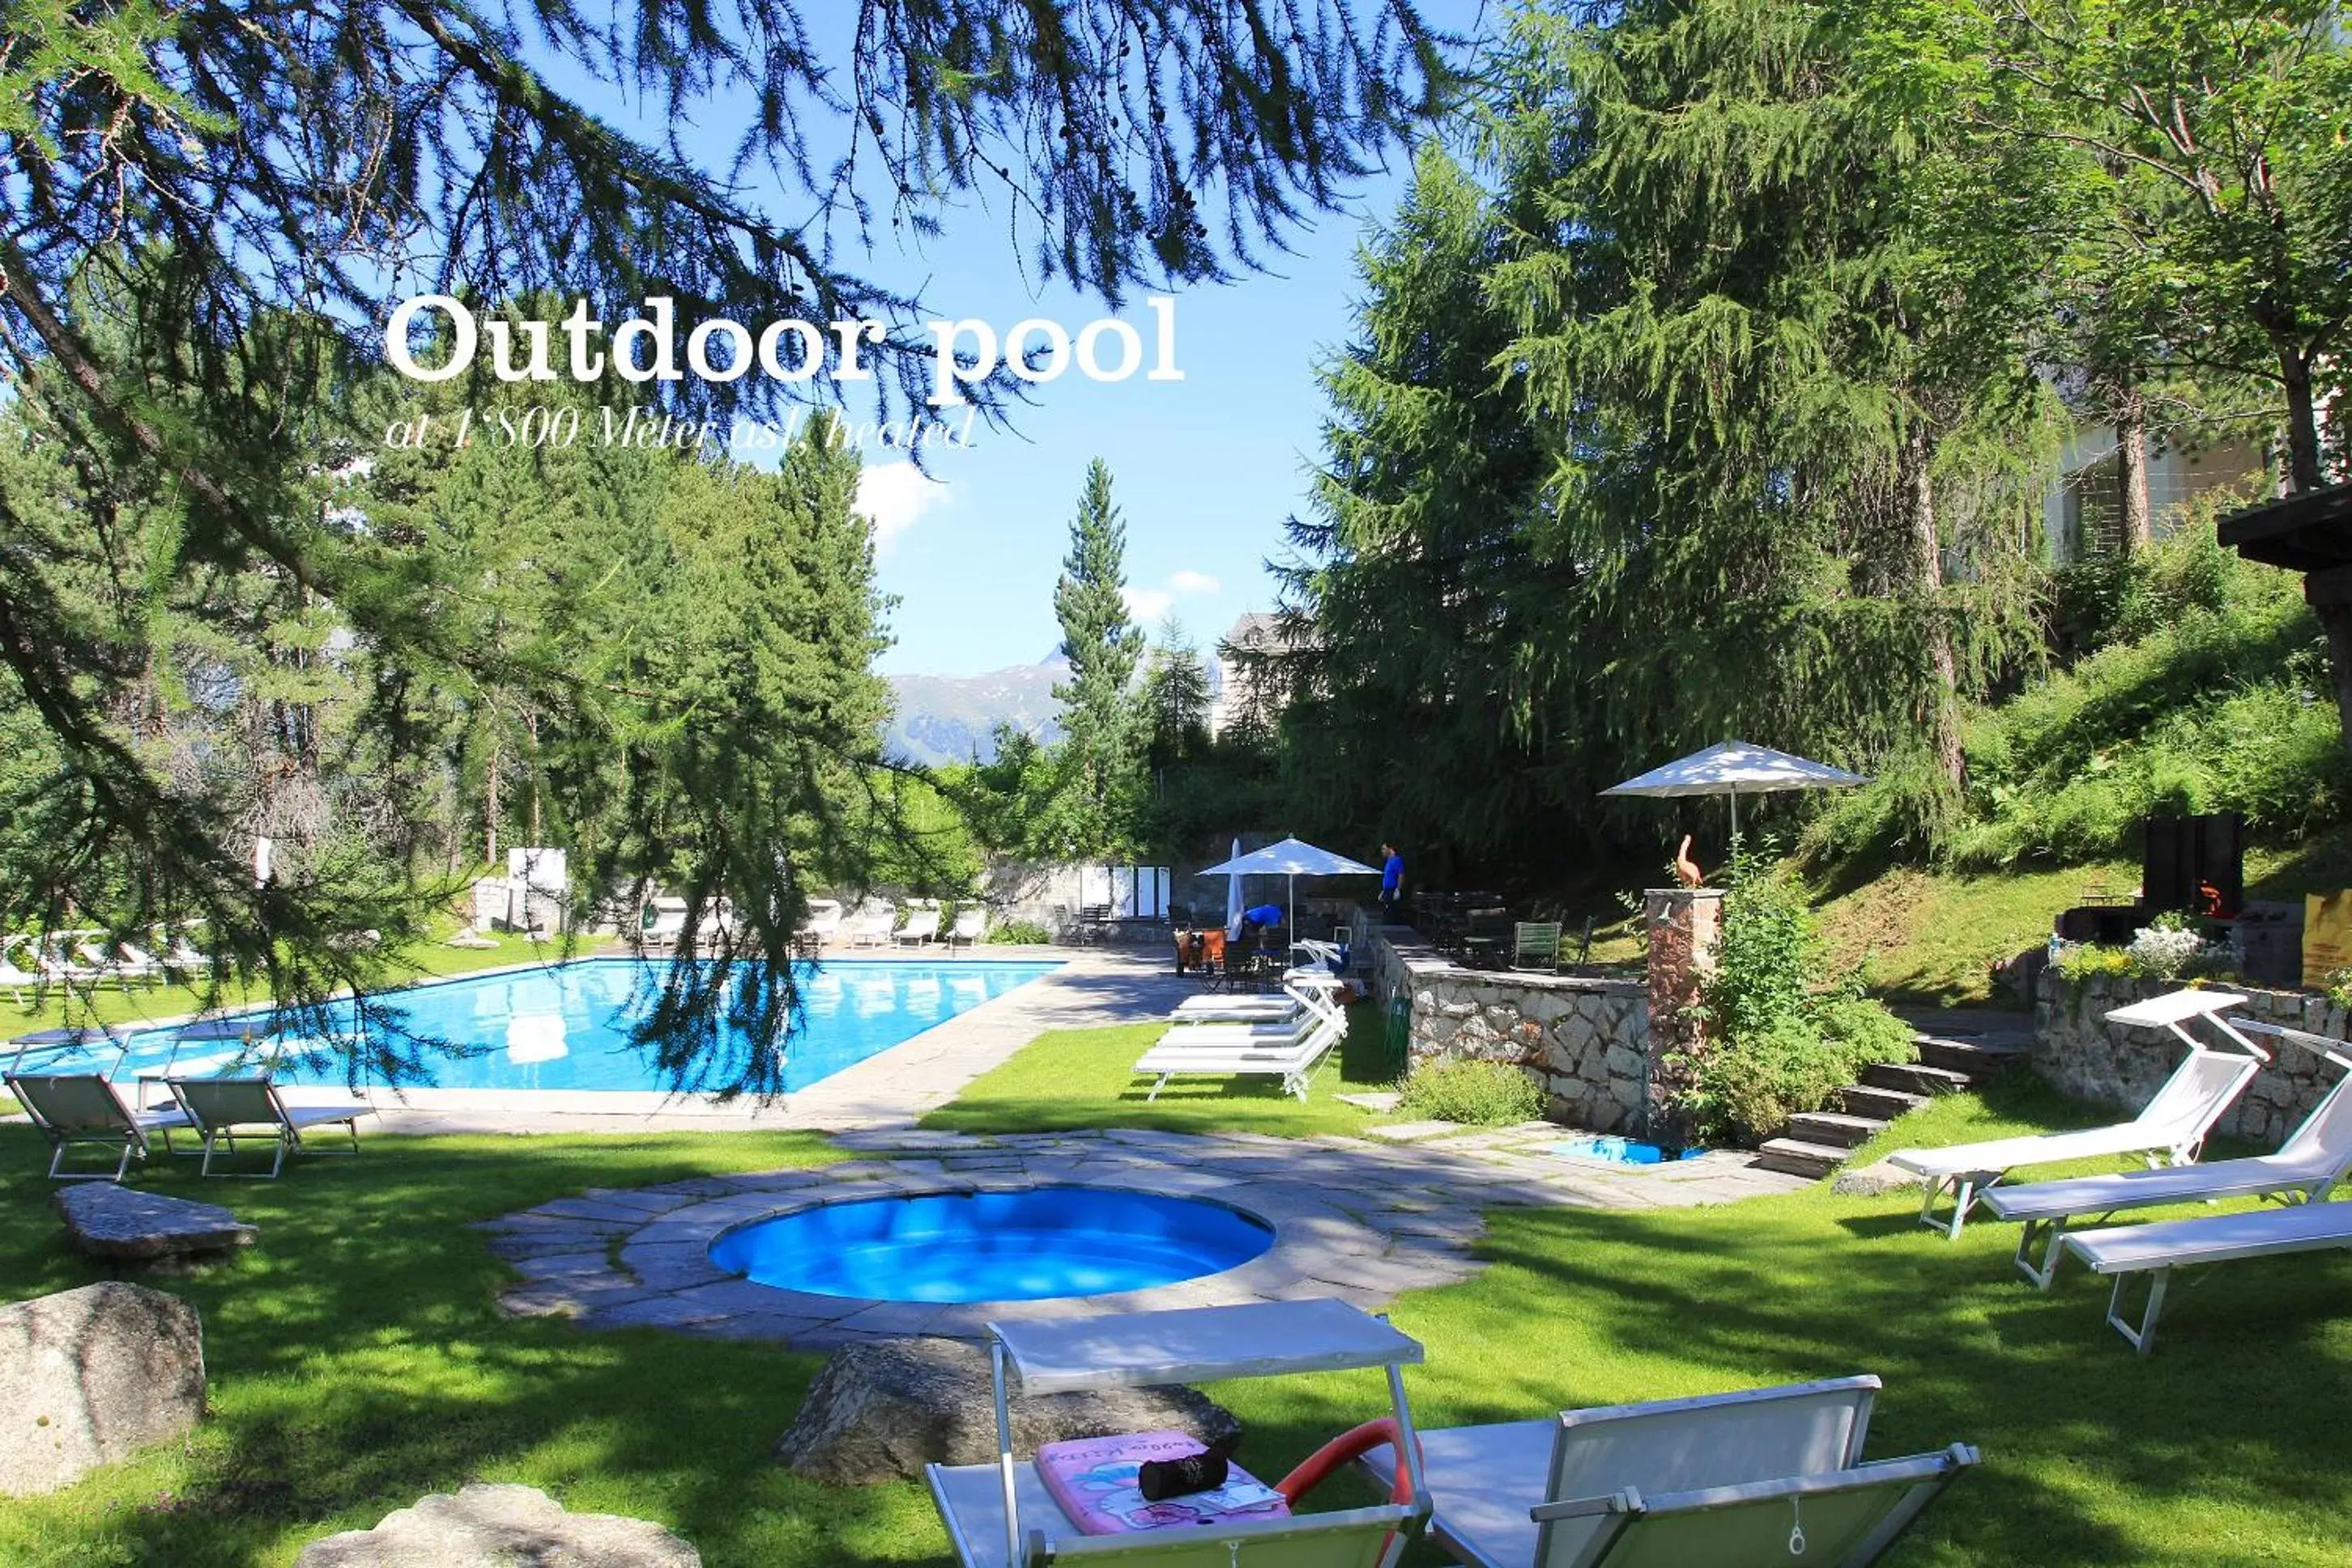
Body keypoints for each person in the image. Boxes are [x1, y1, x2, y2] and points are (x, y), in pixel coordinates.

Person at [1378, 842, 1404, 926]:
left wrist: (1398, 889)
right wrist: (1383, 891)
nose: (1382, 851)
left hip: (1392, 890)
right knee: (1385, 911)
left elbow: (1401, 875)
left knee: (1390, 912)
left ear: (1390, 849)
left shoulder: (1397, 860)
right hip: (1387, 889)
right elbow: (1387, 877)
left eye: (1384, 849)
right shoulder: (1389, 861)